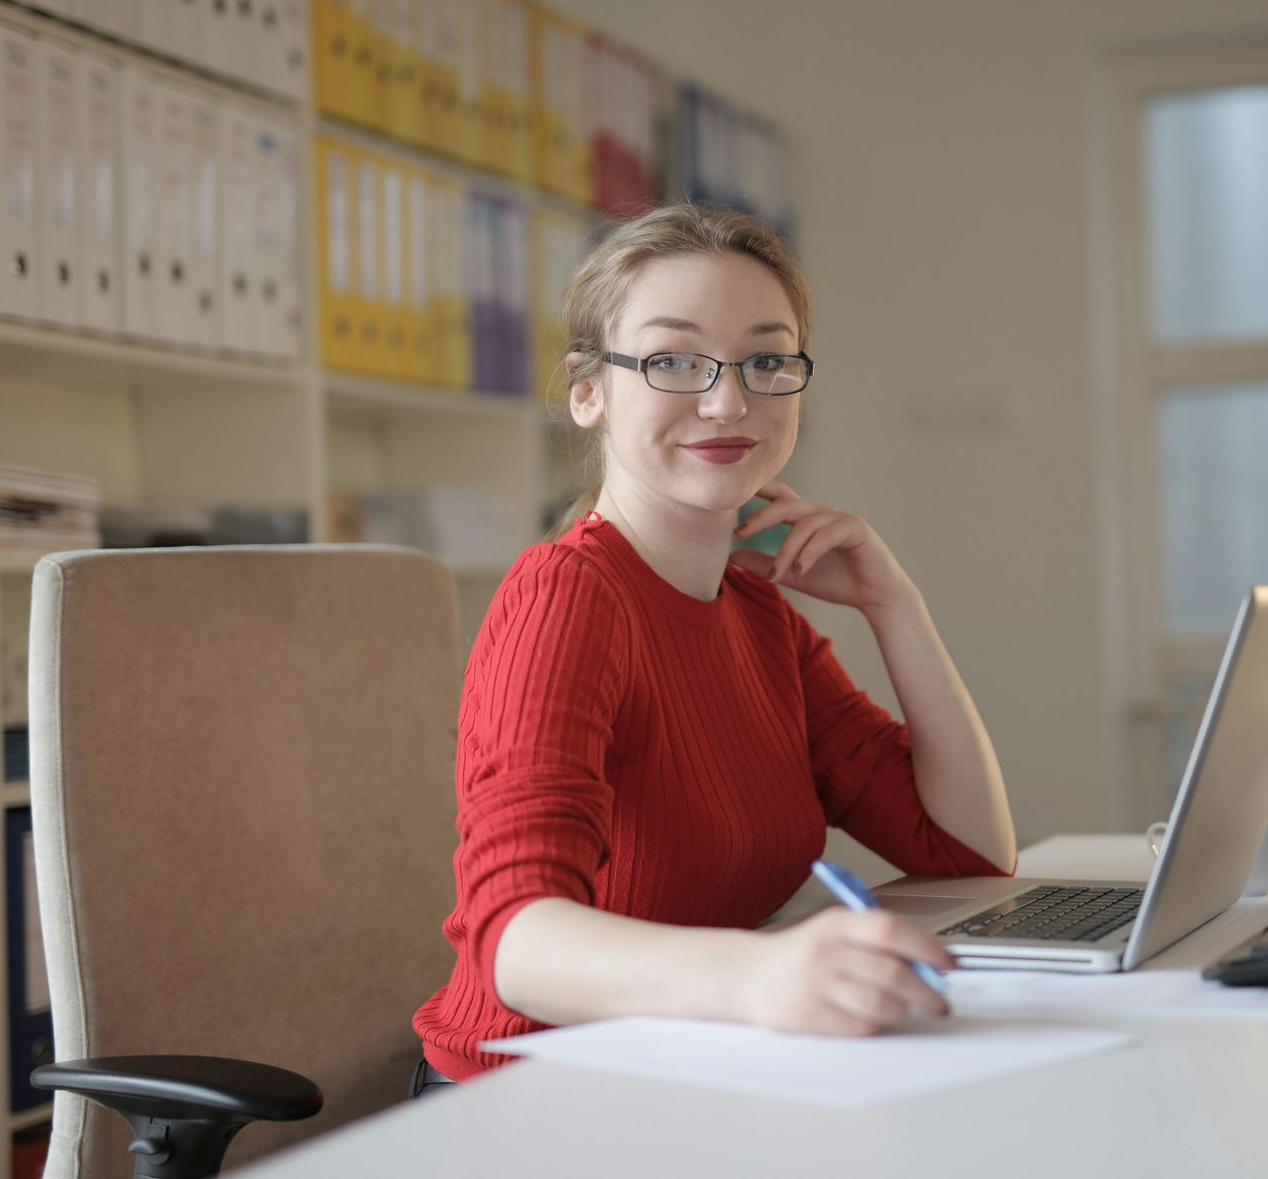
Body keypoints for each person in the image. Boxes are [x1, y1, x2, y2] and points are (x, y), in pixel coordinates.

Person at [410, 203, 1016, 1090]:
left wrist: (896, 604)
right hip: (525, 1097)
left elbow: (965, 851)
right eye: (673, 360)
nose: (729, 400)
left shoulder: (758, 615)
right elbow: (514, 938)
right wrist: (760, 975)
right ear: (589, 390)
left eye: (766, 360)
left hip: (683, 1067)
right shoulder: (567, 596)